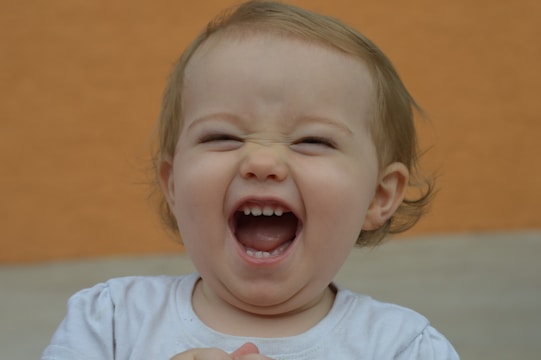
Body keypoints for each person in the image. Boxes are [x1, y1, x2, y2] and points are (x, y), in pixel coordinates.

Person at [42, 1, 459, 359]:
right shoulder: (112, 322)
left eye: (312, 140)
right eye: (222, 137)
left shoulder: (401, 346)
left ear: (379, 196)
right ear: (171, 184)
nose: (261, 161)